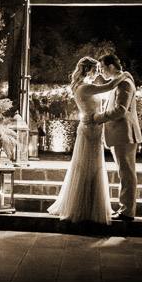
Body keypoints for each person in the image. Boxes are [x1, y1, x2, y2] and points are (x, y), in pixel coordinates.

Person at [47, 56, 128, 225]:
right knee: (87, 167)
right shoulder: (85, 87)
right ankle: (83, 207)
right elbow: (110, 86)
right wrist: (125, 74)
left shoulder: (83, 86)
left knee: (93, 166)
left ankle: (90, 205)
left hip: (94, 128)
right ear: (88, 70)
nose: (98, 73)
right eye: (95, 70)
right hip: (90, 129)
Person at [93, 54, 142, 221]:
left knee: (126, 173)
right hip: (120, 134)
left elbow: (121, 109)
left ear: (112, 66)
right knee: (125, 172)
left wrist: (98, 117)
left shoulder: (124, 83)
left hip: (125, 134)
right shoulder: (119, 82)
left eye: (103, 68)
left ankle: (127, 211)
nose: (101, 72)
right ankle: (126, 208)